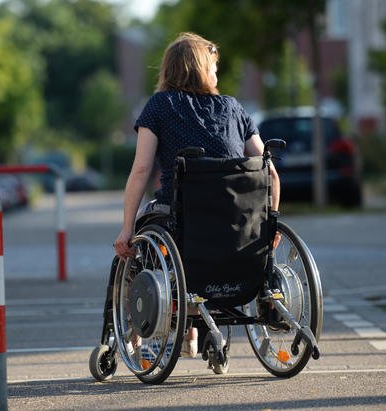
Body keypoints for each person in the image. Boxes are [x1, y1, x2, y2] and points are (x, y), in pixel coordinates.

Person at [113, 32, 280, 358]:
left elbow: (141, 169)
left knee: (137, 248)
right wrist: (270, 226)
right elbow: (269, 172)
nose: (217, 75)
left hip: (180, 217)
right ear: (202, 69)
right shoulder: (233, 107)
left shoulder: (158, 106)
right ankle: (195, 333)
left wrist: (126, 227)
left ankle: (137, 335)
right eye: (214, 68)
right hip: (237, 222)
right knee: (201, 237)